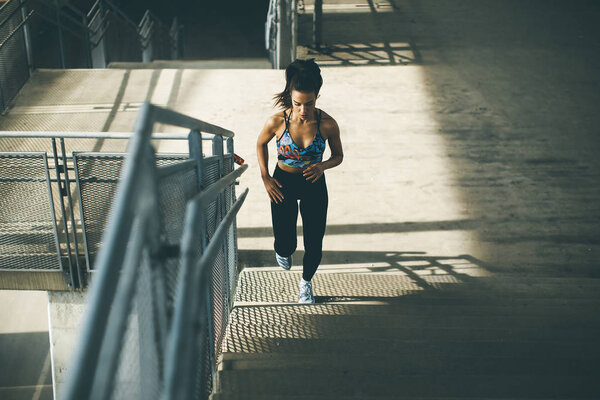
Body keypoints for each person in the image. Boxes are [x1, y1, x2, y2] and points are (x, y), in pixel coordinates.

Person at [256, 59, 344, 303]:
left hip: (314, 184)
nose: (303, 110)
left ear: (317, 97)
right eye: (297, 104)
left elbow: (338, 156)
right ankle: (283, 250)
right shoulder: (277, 122)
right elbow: (260, 144)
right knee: (286, 243)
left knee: (314, 242)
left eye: (309, 103)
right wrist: (266, 177)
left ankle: (306, 282)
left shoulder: (327, 124)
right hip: (282, 181)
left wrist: (322, 166)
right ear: (290, 98)